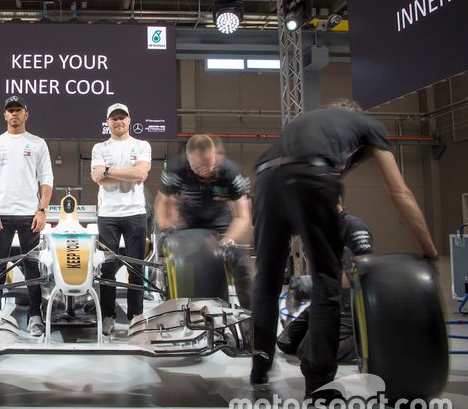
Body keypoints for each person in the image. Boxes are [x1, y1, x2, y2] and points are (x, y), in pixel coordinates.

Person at [249, 99, 438, 399]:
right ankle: (320, 385)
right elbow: (399, 191)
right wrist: (430, 250)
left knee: (267, 282)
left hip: (264, 182)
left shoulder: (311, 121)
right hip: (311, 176)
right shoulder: (369, 126)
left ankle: (259, 365)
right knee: (327, 282)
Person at [0, 95, 54, 336]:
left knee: (32, 268)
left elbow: (47, 180)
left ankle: (35, 316)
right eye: (10, 110)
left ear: (26, 114)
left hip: (29, 215)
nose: (14, 114)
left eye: (18, 110)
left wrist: (42, 210)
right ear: (4, 115)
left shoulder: (37, 143)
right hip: (1, 213)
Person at [155, 134, 253, 309]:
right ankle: (175, 312)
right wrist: (164, 224)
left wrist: (228, 242)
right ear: (188, 159)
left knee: (241, 268)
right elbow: (162, 201)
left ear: (215, 155)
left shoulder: (231, 172)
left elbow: (242, 216)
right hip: (189, 222)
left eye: (209, 165)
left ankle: (252, 322)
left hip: (221, 221)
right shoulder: (175, 169)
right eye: (198, 167)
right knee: (178, 266)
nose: (205, 171)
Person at [277, 201, 373, 363]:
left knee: (309, 353)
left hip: (349, 306)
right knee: (286, 342)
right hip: (325, 301)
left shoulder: (354, 227)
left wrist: (318, 283)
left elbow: (360, 274)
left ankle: (366, 339)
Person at [90, 103, 152, 335]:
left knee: (136, 267)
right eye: (113, 118)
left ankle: (136, 317)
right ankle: (108, 316)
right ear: (107, 122)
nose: (118, 121)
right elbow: (98, 178)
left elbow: (140, 173)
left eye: (122, 118)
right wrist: (127, 173)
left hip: (135, 212)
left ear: (129, 120)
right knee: (107, 269)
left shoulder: (142, 145)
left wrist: (109, 171)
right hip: (108, 215)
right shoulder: (99, 147)